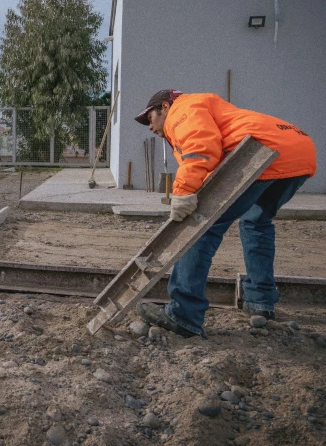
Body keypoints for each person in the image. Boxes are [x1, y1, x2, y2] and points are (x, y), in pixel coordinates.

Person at [133, 90, 316, 338]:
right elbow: (215, 157)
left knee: (201, 228)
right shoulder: (206, 107)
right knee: (256, 222)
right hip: (298, 151)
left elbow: (200, 147)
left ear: (165, 107)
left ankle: (184, 314)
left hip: (261, 152)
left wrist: (183, 191)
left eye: (150, 118)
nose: (150, 127)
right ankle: (260, 302)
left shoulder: (182, 109)